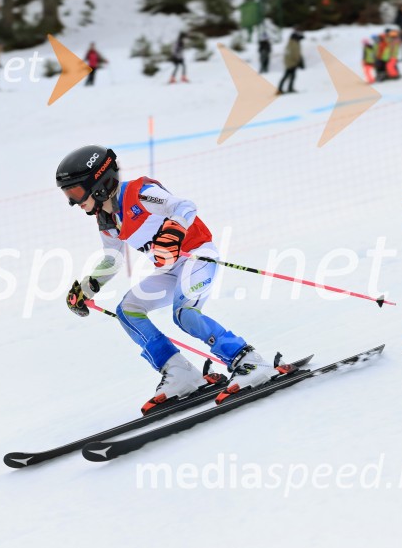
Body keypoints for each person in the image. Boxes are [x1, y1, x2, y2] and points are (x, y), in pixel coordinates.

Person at [57, 145, 286, 413]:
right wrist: (87, 288)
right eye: (67, 194)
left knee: (185, 314)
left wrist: (174, 230)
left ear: (99, 183)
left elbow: (185, 207)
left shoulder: (140, 193)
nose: (73, 201)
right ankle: (179, 372)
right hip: (169, 269)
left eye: (75, 192)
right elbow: (113, 259)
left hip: (198, 255)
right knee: (128, 311)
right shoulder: (106, 219)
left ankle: (248, 360)